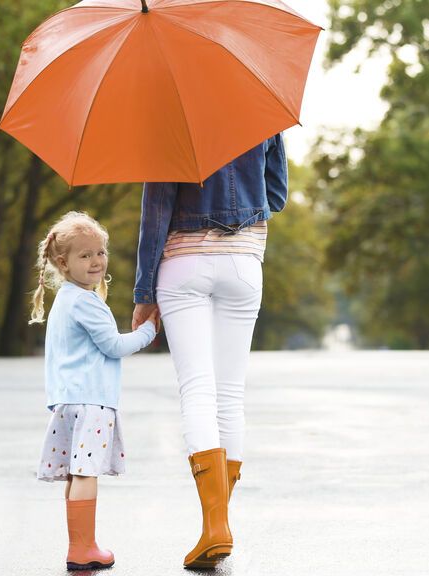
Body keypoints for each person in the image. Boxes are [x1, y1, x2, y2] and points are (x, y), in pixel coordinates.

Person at [132, 133, 288, 568]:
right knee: (229, 394)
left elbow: (157, 207)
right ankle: (217, 525)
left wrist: (144, 292)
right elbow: (276, 194)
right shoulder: (263, 112)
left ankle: (214, 526)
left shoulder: (169, 119)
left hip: (184, 262)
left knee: (198, 390)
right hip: (244, 263)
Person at [30, 211, 159, 570]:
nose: (96, 261)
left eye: (100, 252)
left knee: (75, 474)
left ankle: (80, 545)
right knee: (86, 473)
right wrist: (149, 330)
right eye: (85, 255)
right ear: (63, 262)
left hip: (68, 401)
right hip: (91, 402)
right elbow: (114, 346)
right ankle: (83, 548)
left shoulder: (66, 301)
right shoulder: (86, 302)